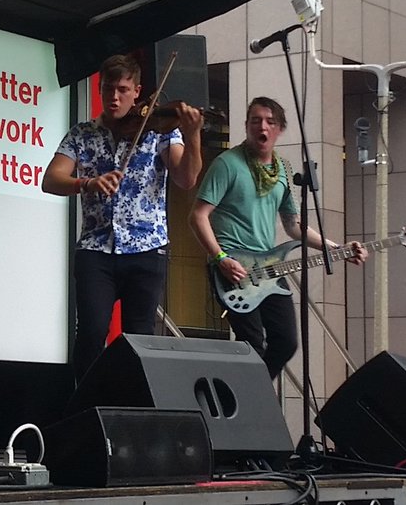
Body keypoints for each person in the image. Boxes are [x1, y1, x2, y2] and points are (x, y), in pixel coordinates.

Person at [42, 54, 203, 382]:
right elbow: (51, 179)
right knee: (90, 332)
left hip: (147, 249)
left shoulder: (159, 132)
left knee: (139, 339)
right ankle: (86, 406)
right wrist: (86, 183)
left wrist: (193, 136)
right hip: (96, 250)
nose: (114, 97)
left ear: (137, 91)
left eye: (123, 90)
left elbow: (186, 178)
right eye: (108, 89)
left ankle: (134, 409)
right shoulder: (82, 134)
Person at [189, 96, 368, 379]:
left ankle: (252, 394)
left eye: (270, 122)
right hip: (233, 265)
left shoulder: (283, 169)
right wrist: (220, 258)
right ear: (247, 126)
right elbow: (197, 216)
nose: (262, 127)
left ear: (280, 129)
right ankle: (253, 402)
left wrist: (339, 249)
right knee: (253, 344)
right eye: (255, 121)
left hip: (268, 265)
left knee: (286, 342)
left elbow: (293, 226)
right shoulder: (227, 164)